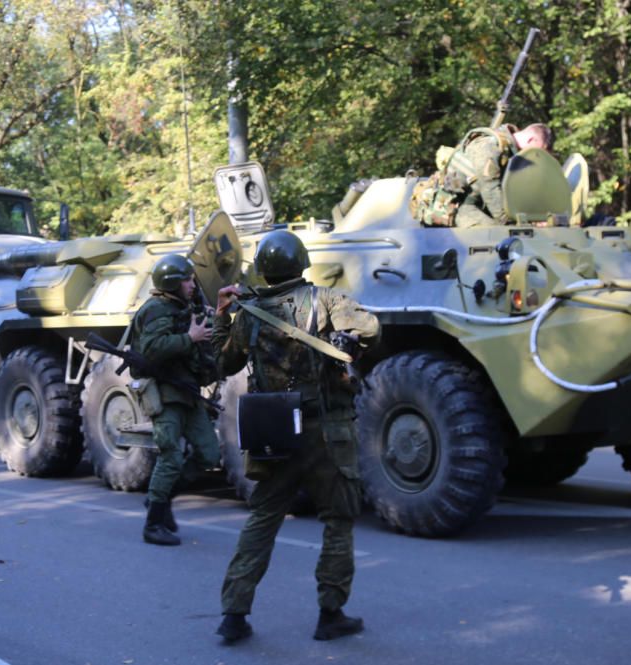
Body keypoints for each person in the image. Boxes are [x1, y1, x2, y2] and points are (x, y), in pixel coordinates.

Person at [211, 229, 380, 643]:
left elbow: (222, 363)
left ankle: (233, 614)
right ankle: (331, 613)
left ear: (264, 271)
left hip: (275, 430)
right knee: (337, 520)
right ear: (301, 262)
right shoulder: (325, 300)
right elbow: (371, 328)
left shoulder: (248, 314)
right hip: (326, 432)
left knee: (262, 519)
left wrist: (221, 316)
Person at [132, 253, 219, 546]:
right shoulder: (156, 309)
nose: (192, 284)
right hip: (166, 395)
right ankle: (153, 524)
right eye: (187, 279)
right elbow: (152, 349)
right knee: (170, 456)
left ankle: (161, 495)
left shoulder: (184, 307)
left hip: (188, 393)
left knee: (210, 454)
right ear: (172, 282)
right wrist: (190, 339)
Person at [413, 122, 554, 228]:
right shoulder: (489, 145)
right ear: (530, 140)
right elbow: (490, 189)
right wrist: (512, 223)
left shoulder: (512, 153)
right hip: (453, 206)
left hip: (478, 204)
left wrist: (533, 219)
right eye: (538, 152)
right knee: (496, 235)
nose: (536, 158)